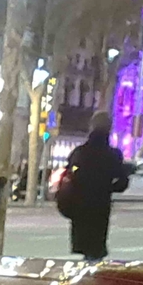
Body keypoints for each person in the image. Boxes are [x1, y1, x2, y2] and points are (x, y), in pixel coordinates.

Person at [55, 111, 131, 261]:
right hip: (99, 208)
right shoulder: (112, 155)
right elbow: (122, 183)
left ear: (91, 127)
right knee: (95, 251)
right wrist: (107, 187)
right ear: (109, 129)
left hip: (79, 207)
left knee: (85, 248)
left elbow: (70, 174)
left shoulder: (80, 152)